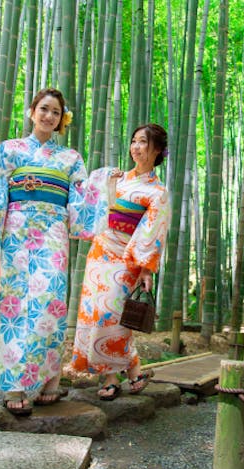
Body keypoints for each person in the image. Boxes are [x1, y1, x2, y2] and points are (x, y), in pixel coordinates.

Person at [0, 87, 90, 415]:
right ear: (32, 111)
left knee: (51, 307)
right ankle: (15, 385)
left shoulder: (71, 158)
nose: (48, 116)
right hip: (16, 233)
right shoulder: (10, 150)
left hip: (53, 235)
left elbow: (84, 199)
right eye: (44, 109)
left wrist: (104, 187)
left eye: (55, 112)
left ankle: (50, 381)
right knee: (15, 310)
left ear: (61, 120)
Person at [70, 123, 171, 401]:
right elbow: (95, 207)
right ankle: (120, 374)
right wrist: (108, 184)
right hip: (100, 250)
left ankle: (123, 371)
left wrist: (146, 268)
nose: (137, 147)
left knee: (112, 315)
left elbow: (152, 232)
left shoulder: (158, 191)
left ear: (158, 151)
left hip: (126, 255)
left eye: (144, 143)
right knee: (94, 314)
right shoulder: (117, 177)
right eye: (134, 141)